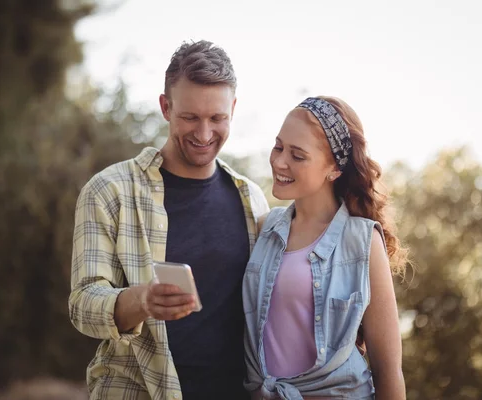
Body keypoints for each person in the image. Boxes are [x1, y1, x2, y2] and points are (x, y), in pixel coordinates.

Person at [69, 40, 269, 400]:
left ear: (233, 109)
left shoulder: (251, 199)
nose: (205, 134)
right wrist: (141, 301)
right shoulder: (109, 191)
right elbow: (82, 305)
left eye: (217, 118)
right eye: (190, 117)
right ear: (166, 106)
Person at [243, 96, 408, 399]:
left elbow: (388, 370)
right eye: (278, 147)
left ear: (333, 168)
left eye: (298, 155)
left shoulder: (362, 241)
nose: (279, 162)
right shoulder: (265, 227)